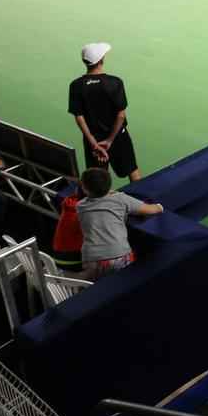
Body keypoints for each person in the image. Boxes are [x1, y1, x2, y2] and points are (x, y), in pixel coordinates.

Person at [69, 43, 142, 181]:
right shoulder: (115, 82)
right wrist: (109, 140)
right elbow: (121, 116)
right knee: (133, 171)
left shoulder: (76, 85)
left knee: (98, 180)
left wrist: (93, 142)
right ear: (101, 60)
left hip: (93, 141)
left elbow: (79, 116)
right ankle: (140, 201)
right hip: (118, 137)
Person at [76, 167, 163, 281]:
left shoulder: (80, 206)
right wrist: (159, 207)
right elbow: (150, 209)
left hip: (91, 259)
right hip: (119, 255)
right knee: (127, 281)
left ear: (85, 189)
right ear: (109, 186)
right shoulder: (120, 199)